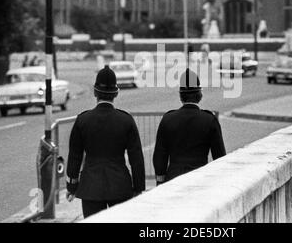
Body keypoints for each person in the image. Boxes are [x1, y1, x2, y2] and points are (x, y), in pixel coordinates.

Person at [66, 65, 145, 218]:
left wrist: (72, 186)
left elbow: (75, 156)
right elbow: (136, 159)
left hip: (90, 187)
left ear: (95, 92)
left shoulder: (83, 120)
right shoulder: (126, 120)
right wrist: (138, 188)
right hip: (120, 186)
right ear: (116, 93)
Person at [152, 69, 226, 186]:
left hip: (173, 179)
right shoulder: (209, 120)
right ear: (199, 95)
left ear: (181, 96)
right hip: (200, 178)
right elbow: (220, 156)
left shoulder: (168, 119)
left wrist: (160, 181)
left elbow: (160, 155)